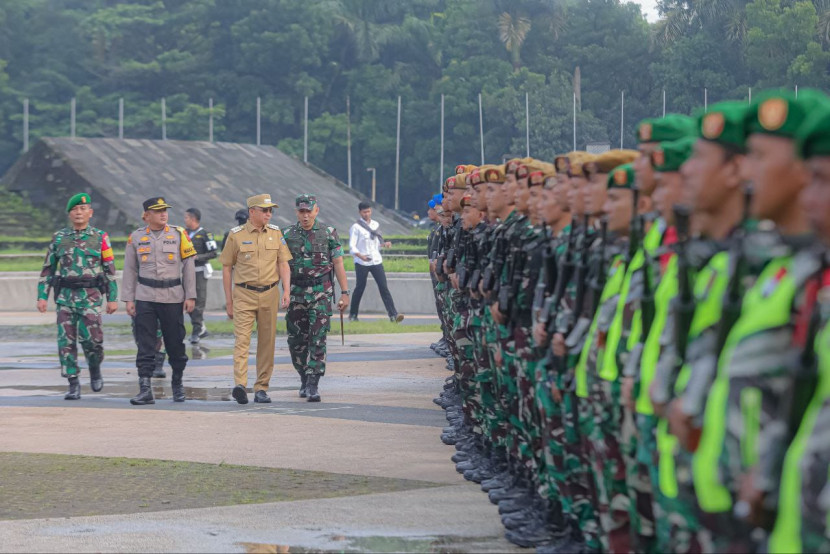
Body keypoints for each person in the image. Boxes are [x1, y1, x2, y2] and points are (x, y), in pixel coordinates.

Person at [37, 192, 118, 400]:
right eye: (74, 210)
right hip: (65, 298)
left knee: (93, 341)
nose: (78, 212)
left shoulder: (100, 237)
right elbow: (48, 269)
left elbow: (109, 269)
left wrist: (112, 297)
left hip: (90, 298)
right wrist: (42, 296)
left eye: (83, 209)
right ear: (69, 214)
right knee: (66, 342)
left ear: (90, 213)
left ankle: (95, 367)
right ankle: (73, 383)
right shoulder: (59, 238)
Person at [122, 197, 196, 405]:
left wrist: (190, 295)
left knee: (175, 342)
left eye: (165, 210)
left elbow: (189, 266)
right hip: (145, 296)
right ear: (146, 216)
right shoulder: (135, 238)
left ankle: (177, 384)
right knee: (145, 343)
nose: (163, 214)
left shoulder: (179, 234)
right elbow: (129, 270)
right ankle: (145, 388)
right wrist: (128, 299)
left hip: (172, 296)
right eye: (158, 211)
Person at [220, 194, 292, 405]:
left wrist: (286, 290)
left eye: (271, 210)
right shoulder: (236, 235)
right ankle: (240, 385)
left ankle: (261, 387)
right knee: (242, 340)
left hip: (270, 293)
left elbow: (283, 264)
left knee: (266, 343)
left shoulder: (276, 234)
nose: (269, 214)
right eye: (264, 210)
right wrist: (229, 301)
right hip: (244, 294)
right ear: (252, 212)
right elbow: (226, 268)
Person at [283, 194, 350, 402]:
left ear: (316, 211)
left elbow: (338, 263)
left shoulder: (328, 233)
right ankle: (303, 376)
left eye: (308, 211)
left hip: (321, 292)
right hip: (296, 293)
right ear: (296, 212)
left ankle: (313, 383)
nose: (305, 216)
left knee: (317, 338)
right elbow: (281, 265)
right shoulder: (287, 235)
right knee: (296, 340)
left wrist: (345, 292)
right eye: (301, 211)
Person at [348, 201, 404, 323]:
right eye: (364, 212)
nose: (366, 214)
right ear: (360, 212)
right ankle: (353, 315)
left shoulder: (375, 224)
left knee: (384, 287)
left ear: (371, 211)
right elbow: (352, 247)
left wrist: (384, 244)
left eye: (368, 211)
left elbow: (377, 244)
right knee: (360, 288)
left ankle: (393, 315)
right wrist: (361, 256)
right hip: (361, 262)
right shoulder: (355, 227)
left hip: (376, 260)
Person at [183, 207, 218, 344]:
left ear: (193, 218)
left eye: (186, 217)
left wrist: (198, 257)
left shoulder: (205, 234)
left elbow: (213, 253)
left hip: (199, 272)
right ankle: (201, 327)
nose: (184, 220)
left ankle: (197, 329)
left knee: (198, 301)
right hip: (186, 272)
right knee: (186, 301)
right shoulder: (184, 233)